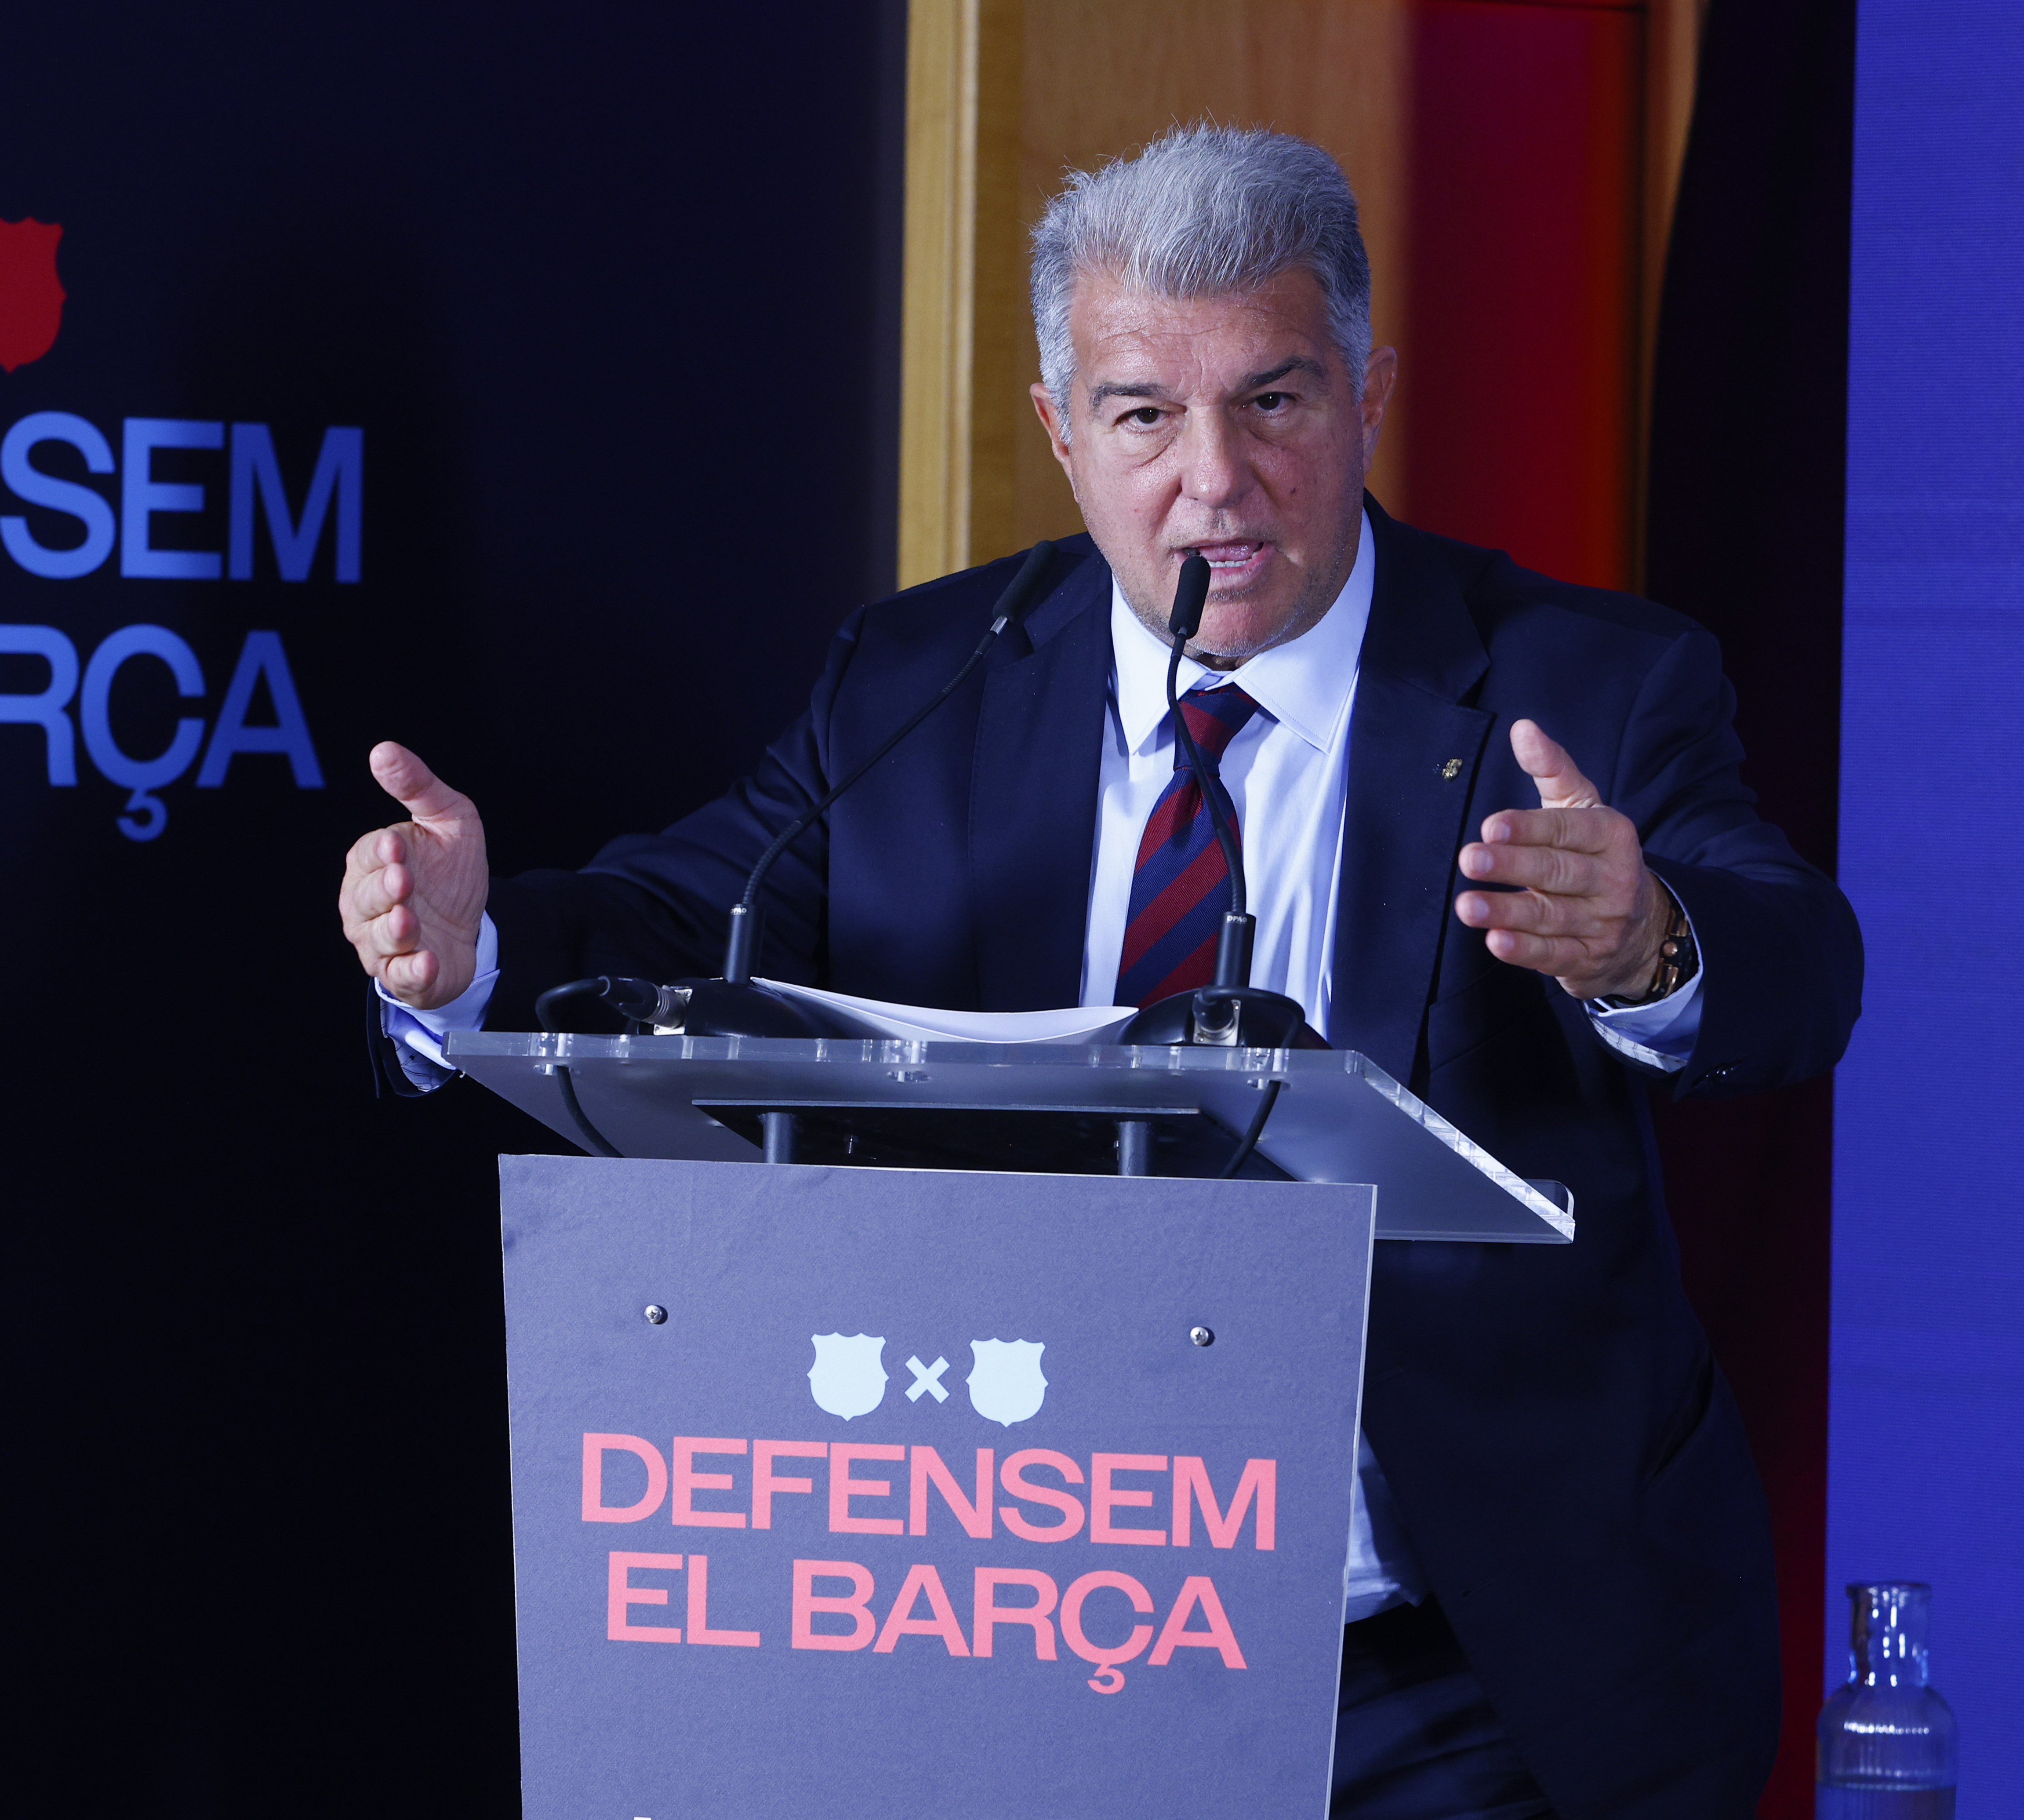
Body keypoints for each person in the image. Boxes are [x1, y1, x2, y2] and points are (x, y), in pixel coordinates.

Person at [336, 124, 1859, 1819]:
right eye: (1145, 416)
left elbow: (1800, 967)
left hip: (1457, 1659)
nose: (1212, 480)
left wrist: (1650, 944)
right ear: (1064, 436)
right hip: (1017, 1622)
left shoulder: (1586, 683)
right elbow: (685, 920)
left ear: (1370, 391)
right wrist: (470, 956)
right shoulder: (925, 675)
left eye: (1273, 402)